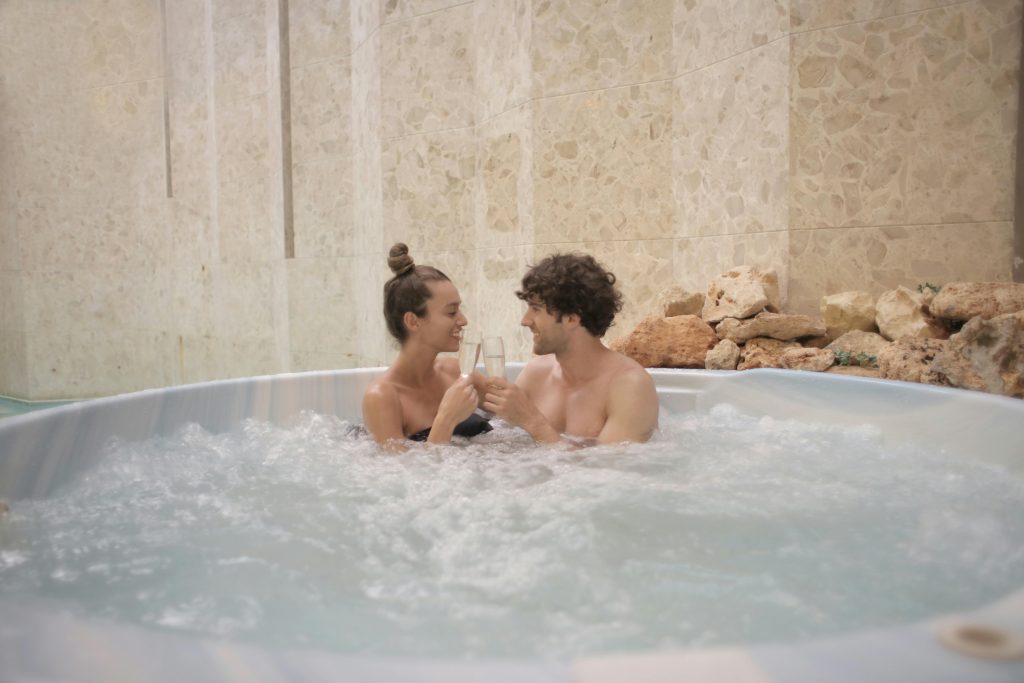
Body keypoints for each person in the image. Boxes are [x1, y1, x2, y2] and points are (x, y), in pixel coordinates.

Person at [483, 253, 659, 444]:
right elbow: (500, 445)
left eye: (536, 309)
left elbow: (609, 469)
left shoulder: (629, 386)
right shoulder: (536, 374)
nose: (525, 321)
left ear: (571, 319)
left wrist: (534, 423)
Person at [362, 243, 491, 451]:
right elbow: (403, 477)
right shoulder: (382, 397)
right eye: (451, 312)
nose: (464, 320)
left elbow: (516, 416)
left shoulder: (454, 371)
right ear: (413, 321)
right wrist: (447, 419)